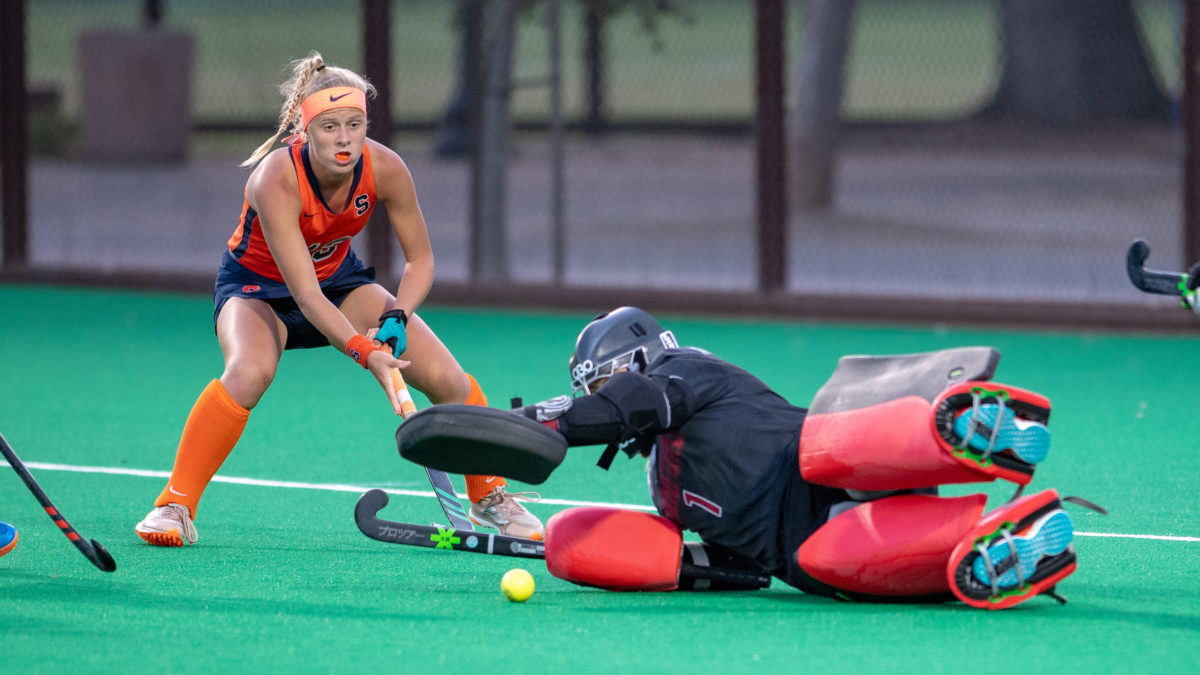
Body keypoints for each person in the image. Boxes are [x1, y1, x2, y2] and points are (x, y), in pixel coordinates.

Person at [135, 52, 541, 547]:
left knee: (449, 379)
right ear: (304, 132)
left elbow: (421, 263)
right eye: (329, 127)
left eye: (355, 124)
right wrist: (363, 351)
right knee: (250, 371)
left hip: (339, 283)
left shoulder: (385, 167)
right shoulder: (275, 179)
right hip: (257, 289)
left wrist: (395, 318)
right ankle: (175, 506)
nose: (344, 138)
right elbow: (303, 295)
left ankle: (488, 494)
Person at [519, 307, 1095, 609]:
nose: (602, 395)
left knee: (829, 453)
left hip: (846, 459)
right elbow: (739, 570)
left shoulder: (685, 369)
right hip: (819, 538)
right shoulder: (662, 487)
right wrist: (651, 562)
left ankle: (964, 431)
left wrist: (534, 426)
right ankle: (1004, 543)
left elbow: (625, 407)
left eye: (605, 381)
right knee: (823, 560)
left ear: (640, 357)